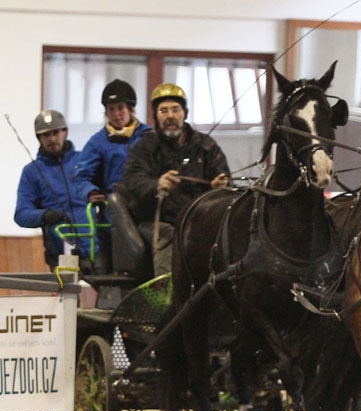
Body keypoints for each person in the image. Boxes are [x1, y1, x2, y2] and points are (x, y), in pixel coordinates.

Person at [116, 83, 230, 276]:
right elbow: (132, 182)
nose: (170, 115)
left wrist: (220, 187)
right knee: (169, 236)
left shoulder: (207, 146)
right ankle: (167, 293)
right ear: (156, 116)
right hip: (155, 221)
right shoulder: (145, 147)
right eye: (163, 111)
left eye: (175, 110)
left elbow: (225, 180)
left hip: (199, 219)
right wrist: (156, 185)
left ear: (184, 113)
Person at [14, 109, 90, 271]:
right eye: (45, 135)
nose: (52, 139)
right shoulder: (31, 172)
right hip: (60, 253)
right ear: (39, 139)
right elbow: (21, 214)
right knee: (68, 296)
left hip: (97, 250)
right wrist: (45, 215)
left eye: (55, 133)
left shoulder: (85, 161)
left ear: (65, 132)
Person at [75, 79, 151, 201]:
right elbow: (82, 177)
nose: (116, 114)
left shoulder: (148, 136)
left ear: (131, 109)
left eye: (121, 108)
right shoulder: (97, 142)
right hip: (114, 203)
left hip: (147, 198)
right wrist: (91, 192)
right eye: (111, 109)